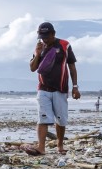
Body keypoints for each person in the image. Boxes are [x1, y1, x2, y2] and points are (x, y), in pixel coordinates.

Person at [24, 22, 79, 155]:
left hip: (60, 89)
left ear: (53, 34)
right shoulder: (39, 47)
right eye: (42, 37)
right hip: (43, 89)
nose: (44, 39)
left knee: (61, 119)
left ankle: (59, 145)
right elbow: (32, 68)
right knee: (43, 118)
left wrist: (75, 87)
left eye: (47, 36)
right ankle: (41, 147)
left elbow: (71, 66)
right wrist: (37, 54)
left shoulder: (64, 45)